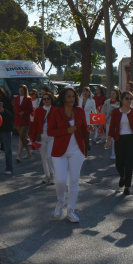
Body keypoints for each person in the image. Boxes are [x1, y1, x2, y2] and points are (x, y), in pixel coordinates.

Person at [47, 87, 89, 223]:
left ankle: (71, 210)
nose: (71, 99)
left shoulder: (80, 111)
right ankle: (60, 202)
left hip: (77, 150)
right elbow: (50, 131)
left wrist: (89, 129)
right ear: (63, 98)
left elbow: (83, 131)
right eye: (68, 96)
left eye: (73, 96)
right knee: (60, 180)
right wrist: (67, 130)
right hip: (60, 151)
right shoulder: (56, 112)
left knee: (74, 181)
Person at [105, 91, 133, 195]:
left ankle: (127, 186)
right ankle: (122, 176)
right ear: (122, 100)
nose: (129, 101)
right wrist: (108, 140)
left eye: (130, 99)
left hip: (131, 139)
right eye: (127, 98)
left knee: (129, 163)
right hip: (119, 139)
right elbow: (112, 127)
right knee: (119, 163)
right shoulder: (116, 112)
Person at [29, 91, 56, 184]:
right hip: (41, 136)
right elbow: (34, 124)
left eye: (48, 99)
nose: (46, 100)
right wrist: (32, 137)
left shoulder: (55, 110)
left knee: (49, 156)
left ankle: (53, 175)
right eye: (44, 99)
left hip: (52, 136)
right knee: (43, 158)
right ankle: (47, 175)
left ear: (51, 99)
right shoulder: (39, 110)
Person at [0, 87, 15, 175]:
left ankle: (9, 168)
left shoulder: (8, 102)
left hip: (6, 128)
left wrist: (4, 111)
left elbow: (12, 116)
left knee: (7, 150)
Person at [13, 85, 34, 162]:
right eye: (19, 90)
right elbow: (15, 110)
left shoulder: (28, 99)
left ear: (25, 91)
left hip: (25, 121)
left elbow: (31, 110)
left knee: (22, 136)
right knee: (22, 137)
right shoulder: (16, 98)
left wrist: (24, 113)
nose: (20, 92)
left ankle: (18, 155)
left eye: (22, 90)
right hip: (18, 120)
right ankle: (28, 152)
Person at [102, 88, 121, 160]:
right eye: (111, 93)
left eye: (114, 94)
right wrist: (102, 121)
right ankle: (112, 150)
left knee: (114, 139)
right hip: (108, 122)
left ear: (117, 95)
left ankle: (114, 153)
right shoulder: (106, 102)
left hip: (116, 123)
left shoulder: (119, 103)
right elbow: (103, 112)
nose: (112, 95)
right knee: (109, 137)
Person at [79, 87, 96, 156]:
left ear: (89, 93)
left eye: (87, 91)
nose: (85, 93)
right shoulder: (79, 100)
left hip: (88, 121)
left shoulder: (92, 101)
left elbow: (94, 111)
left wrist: (94, 122)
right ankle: (85, 147)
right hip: (79, 120)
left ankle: (85, 152)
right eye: (84, 91)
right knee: (81, 136)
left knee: (86, 136)